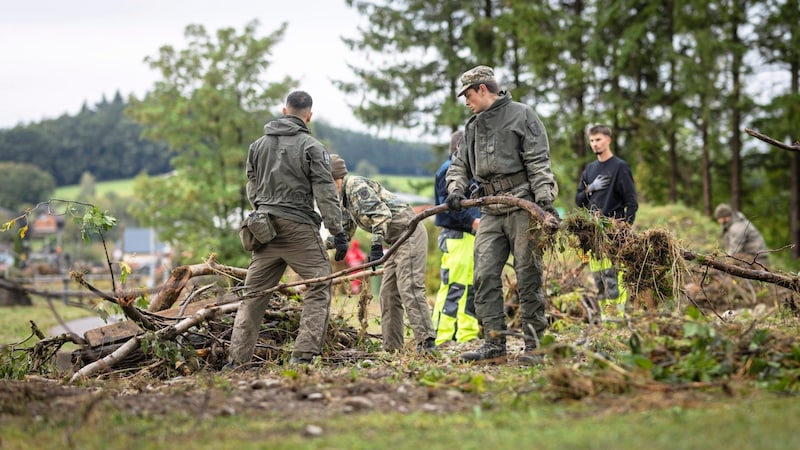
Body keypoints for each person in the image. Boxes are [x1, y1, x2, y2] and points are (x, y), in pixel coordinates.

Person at [446, 65, 559, 365]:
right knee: (483, 274)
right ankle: (494, 344)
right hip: (490, 208)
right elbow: (459, 166)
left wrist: (545, 202)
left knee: (528, 274)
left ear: (483, 89)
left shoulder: (523, 115)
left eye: (468, 95)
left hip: (523, 204)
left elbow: (538, 161)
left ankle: (535, 346)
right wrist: (455, 189)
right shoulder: (472, 127)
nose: (466, 102)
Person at [228, 91, 350, 367]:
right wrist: (338, 232)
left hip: (265, 230)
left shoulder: (256, 146)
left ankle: (236, 361)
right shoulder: (312, 147)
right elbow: (325, 193)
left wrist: (262, 210)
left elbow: (251, 183)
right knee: (319, 283)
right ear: (309, 115)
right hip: (299, 230)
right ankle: (303, 356)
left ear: (284, 111)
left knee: (253, 296)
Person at [328, 154, 437, 354]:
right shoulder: (342, 198)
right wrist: (325, 244)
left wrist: (376, 245)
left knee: (409, 286)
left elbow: (382, 215)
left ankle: (427, 344)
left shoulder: (355, 187)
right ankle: (393, 349)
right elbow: (345, 230)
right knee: (387, 294)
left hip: (408, 232)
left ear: (336, 178)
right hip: (395, 240)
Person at [574, 124, 638, 319]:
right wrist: (590, 188)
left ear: (608, 140)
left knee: (614, 279)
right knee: (599, 279)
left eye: (598, 140)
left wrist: (623, 230)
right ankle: (606, 320)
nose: (595, 144)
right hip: (594, 235)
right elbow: (578, 200)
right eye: (592, 141)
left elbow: (631, 203)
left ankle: (616, 322)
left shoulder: (620, 167)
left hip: (614, 233)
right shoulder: (590, 169)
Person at [431, 129, 480, 346]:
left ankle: (467, 335)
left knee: (469, 287)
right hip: (456, 236)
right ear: (461, 147)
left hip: (469, 237)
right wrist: (473, 221)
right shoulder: (448, 171)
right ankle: (441, 337)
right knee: (454, 287)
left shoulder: (469, 171)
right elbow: (448, 205)